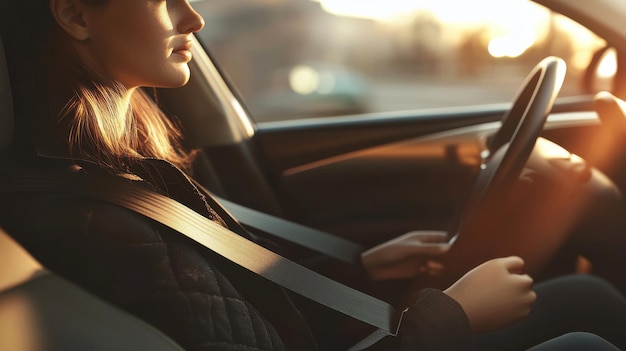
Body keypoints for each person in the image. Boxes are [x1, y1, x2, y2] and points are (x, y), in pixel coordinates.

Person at [0, 1, 625, 350]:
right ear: (76, 15)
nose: (193, 18)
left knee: (587, 298)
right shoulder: (91, 220)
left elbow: (240, 301)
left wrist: (364, 270)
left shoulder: (125, 173)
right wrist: (451, 318)